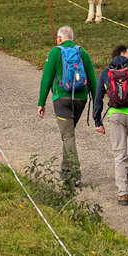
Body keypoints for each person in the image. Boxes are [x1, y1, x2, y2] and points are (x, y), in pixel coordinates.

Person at [36, 26, 96, 187]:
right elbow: (93, 80)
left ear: (60, 39)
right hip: (81, 99)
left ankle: (75, 173)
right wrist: (97, 105)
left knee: (68, 135)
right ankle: (65, 169)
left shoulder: (55, 53)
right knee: (68, 133)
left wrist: (41, 103)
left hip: (61, 99)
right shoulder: (83, 53)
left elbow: (46, 79)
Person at [93, 44, 128, 205]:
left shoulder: (106, 74)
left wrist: (97, 120)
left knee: (119, 154)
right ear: (122, 54)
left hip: (115, 115)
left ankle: (123, 193)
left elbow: (98, 97)